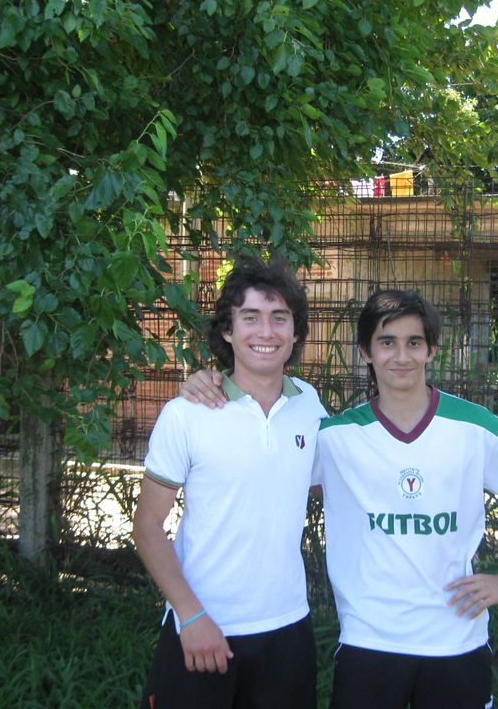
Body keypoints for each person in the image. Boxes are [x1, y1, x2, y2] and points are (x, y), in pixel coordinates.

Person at [182, 288, 498, 709]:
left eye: (413, 342)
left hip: (456, 641)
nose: (401, 356)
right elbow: (267, 462)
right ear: (365, 351)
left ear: (431, 350)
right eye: (387, 342)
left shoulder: (473, 426)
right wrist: (213, 382)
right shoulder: (335, 437)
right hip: (368, 642)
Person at [133, 256, 327, 709]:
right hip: (203, 628)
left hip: (287, 630)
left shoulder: (309, 404)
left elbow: (319, 483)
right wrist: (190, 615)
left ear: (296, 332)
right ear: (227, 330)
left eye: (280, 317)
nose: (266, 332)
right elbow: (147, 526)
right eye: (250, 317)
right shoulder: (187, 413)